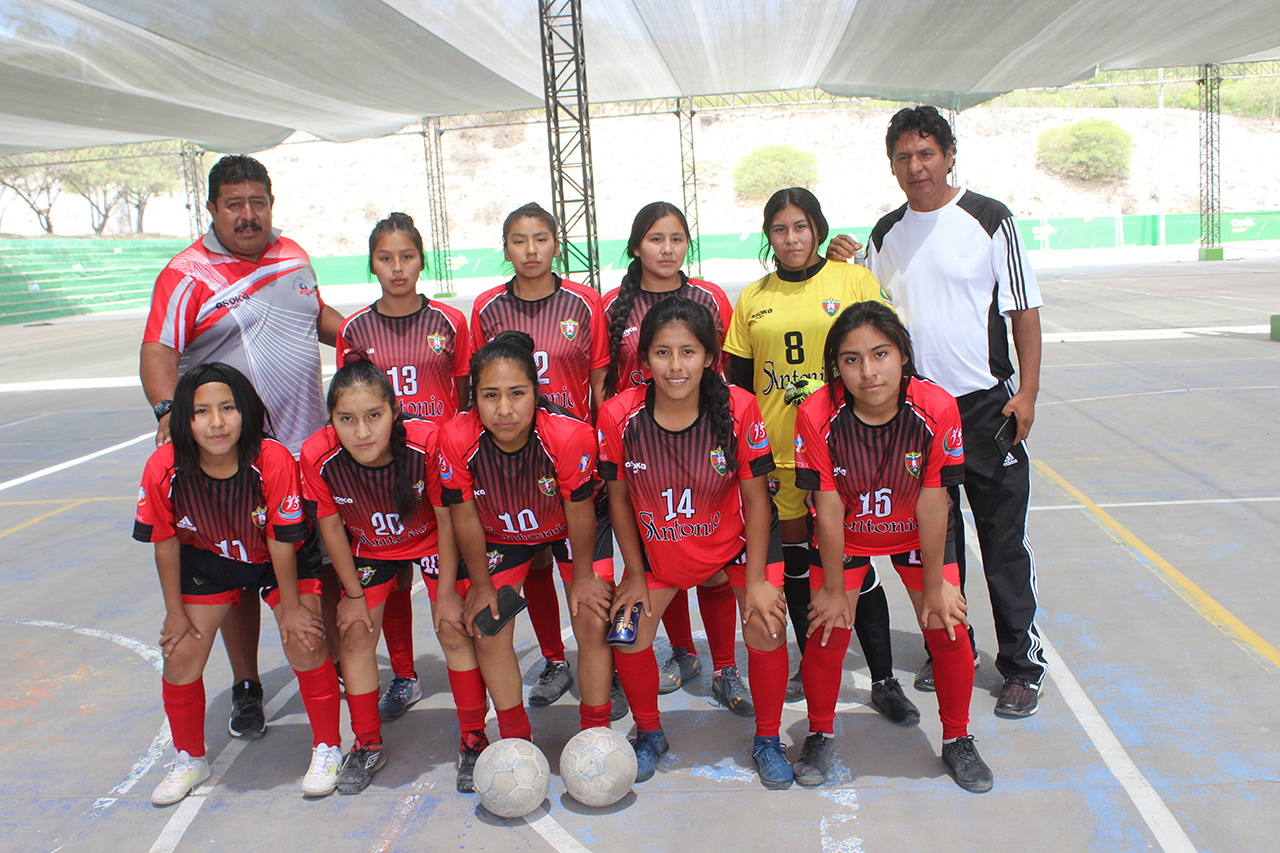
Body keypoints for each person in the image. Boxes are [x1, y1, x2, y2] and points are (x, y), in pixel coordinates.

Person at [140, 154, 343, 740]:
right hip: (234, 463)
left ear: (271, 204)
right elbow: (157, 350)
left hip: (307, 451)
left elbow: (314, 316)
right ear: (212, 208)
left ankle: (328, 665)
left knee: (321, 566)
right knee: (239, 577)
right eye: (234, 204)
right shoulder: (187, 274)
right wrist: (167, 411)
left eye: (258, 202)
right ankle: (247, 684)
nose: (248, 215)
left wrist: (371, 335)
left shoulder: (293, 255)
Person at [858, 106, 1048, 717]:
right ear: (891, 166)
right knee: (937, 545)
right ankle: (951, 650)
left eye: (926, 154)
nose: (916, 167)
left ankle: (1021, 665)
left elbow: (1023, 312)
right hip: (917, 417)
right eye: (904, 158)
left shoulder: (990, 219)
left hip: (987, 408)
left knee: (1002, 541)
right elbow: (865, 311)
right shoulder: (885, 235)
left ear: (948, 156)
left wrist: (1027, 393)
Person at [723, 187, 918, 724]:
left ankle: (883, 678)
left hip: (847, 454)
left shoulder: (852, 280)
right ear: (768, 236)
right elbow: (740, 386)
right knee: (797, 567)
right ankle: (812, 666)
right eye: (780, 229)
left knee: (854, 563)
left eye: (801, 227)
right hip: (780, 459)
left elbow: (890, 355)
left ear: (819, 229)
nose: (791, 239)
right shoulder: (753, 298)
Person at [795, 302, 993, 793]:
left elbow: (934, 502)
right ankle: (819, 732)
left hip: (916, 532)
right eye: (852, 359)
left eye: (880, 354)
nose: (868, 371)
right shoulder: (816, 413)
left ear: (903, 354)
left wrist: (936, 587)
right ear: (836, 367)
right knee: (826, 629)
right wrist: (835, 590)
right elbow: (827, 507)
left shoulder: (937, 407)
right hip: (848, 533)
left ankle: (958, 738)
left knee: (948, 627)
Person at [601, 298, 790, 787]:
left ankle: (768, 740)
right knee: (626, 634)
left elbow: (757, 499)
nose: (675, 365)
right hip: (659, 553)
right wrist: (634, 575)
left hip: (736, 544)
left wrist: (757, 582)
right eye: (662, 352)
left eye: (688, 351)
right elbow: (618, 500)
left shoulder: (739, 406)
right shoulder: (619, 416)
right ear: (645, 359)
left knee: (768, 626)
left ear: (709, 356)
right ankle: (649, 734)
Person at [133, 363, 342, 804]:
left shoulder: (271, 459)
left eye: (227, 408)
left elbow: (281, 540)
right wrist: (174, 613)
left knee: (304, 641)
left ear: (246, 411)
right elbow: (165, 544)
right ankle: (190, 759)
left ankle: (327, 748)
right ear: (184, 419)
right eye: (201, 411)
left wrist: (291, 609)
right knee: (180, 654)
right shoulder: (164, 466)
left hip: (276, 558)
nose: (216, 422)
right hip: (210, 559)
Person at [439, 331, 612, 743]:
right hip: (502, 532)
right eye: (490, 395)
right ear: (474, 398)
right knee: (487, 628)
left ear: (536, 392)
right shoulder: (456, 437)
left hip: (570, 527)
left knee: (593, 619)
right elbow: (464, 517)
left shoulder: (569, 435)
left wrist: (583, 577)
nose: (504, 409)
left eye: (517, 393)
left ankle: (595, 734)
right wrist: (481, 584)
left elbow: (579, 511)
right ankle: (516, 738)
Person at [469, 203, 609, 707]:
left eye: (541, 239)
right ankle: (554, 659)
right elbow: (480, 385)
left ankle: (603, 669)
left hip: (571, 458)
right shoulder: (486, 308)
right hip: (511, 461)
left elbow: (599, 384)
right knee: (533, 564)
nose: (530, 250)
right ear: (505, 248)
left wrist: (600, 453)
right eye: (518, 240)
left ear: (556, 243)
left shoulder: (584, 303)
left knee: (587, 576)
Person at [299, 360, 457, 794]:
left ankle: (473, 737)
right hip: (371, 547)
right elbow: (331, 528)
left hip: (430, 538)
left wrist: (446, 592)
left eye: (374, 415)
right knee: (353, 634)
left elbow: (447, 520)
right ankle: (368, 743)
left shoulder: (427, 443)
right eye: (346, 419)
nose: (362, 431)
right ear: (331, 420)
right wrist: (352, 596)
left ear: (394, 411)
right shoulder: (317, 455)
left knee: (455, 626)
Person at [338, 212, 471, 723]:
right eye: (385, 258)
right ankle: (404, 675)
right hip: (379, 475)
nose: (397, 268)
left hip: (438, 473)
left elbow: (463, 399)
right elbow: (351, 402)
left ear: (422, 261)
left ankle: (474, 699)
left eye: (407, 256)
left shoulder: (450, 322)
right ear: (372, 264)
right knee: (392, 579)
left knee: (451, 590)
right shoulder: (355, 329)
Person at [601, 201, 736, 700]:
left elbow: (725, 374)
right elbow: (605, 384)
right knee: (663, 557)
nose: (667, 249)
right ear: (636, 246)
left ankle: (726, 668)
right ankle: (683, 652)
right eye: (656, 238)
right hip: (644, 453)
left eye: (677, 239)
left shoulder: (709, 297)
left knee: (714, 566)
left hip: (702, 446)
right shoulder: (613, 306)